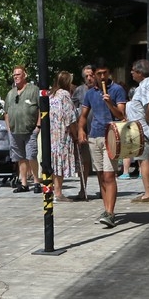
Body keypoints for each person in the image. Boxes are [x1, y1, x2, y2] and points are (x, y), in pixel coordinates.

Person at [79, 58, 127, 227]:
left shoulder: (117, 90)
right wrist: (81, 130)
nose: (102, 76)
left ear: (109, 72)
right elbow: (84, 115)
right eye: (99, 74)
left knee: (109, 175)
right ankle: (106, 210)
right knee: (100, 176)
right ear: (94, 74)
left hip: (112, 136)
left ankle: (111, 213)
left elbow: (121, 115)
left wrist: (109, 103)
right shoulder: (90, 93)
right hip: (95, 136)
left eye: (105, 73)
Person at [126, 59, 149, 201]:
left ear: (140, 72)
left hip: (143, 130)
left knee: (143, 160)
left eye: (133, 70)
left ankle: (148, 194)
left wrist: (146, 117)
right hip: (148, 130)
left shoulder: (145, 86)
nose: (131, 73)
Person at [5, 65, 40, 193]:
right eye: (14, 75)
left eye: (18, 74)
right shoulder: (11, 93)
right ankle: (24, 183)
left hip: (30, 130)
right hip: (15, 131)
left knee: (31, 156)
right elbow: (6, 112)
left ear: (25, 75)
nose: (16, 77)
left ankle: (36, 182)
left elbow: (41, 108)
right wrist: (8, 128)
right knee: (20, 158)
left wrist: (38, 126)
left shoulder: (34, 90)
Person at [48, 71, 78, 199]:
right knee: (60, 163)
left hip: (52, 134)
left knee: (54, 163)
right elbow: (70, 117)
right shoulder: (65, 95)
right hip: (62, 134)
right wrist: (75, 134)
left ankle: (54, 191)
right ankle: (58, 193)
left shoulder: (51, 95)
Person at [71, 65, 95, 199]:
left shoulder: (101, 90)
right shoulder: (79, 91)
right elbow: (73, 109)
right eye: (86, 76)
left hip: (99, 130)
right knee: (85, 162)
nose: (89, 78)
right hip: (84, 131)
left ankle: (103, 189)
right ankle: (83, 189)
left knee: (100, 163)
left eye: (91, 75)